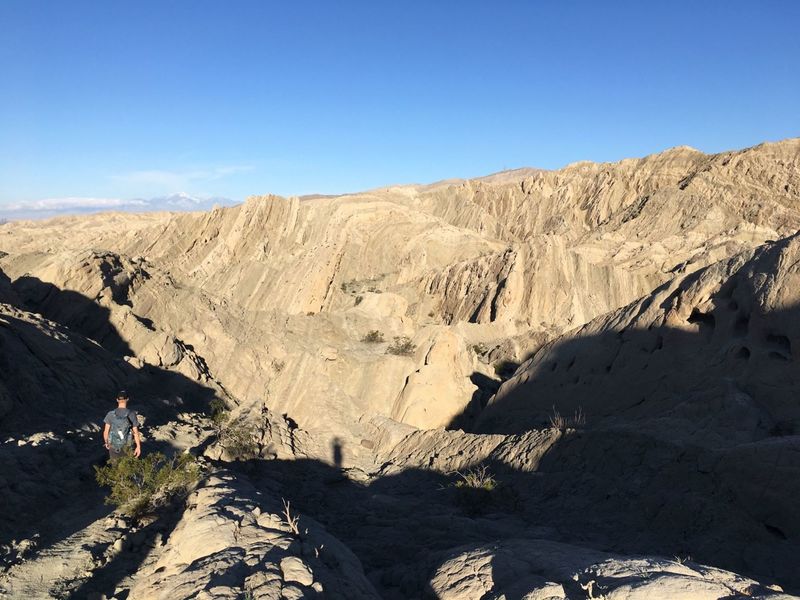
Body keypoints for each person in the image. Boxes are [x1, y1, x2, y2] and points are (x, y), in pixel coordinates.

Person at [103, 390, 142, 460]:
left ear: (117, 400)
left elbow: (106, 431)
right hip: (127, 446)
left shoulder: (110, 414)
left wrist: (106, 442)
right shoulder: (131, 414)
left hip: (113, 446)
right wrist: (138, 446)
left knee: (115, 468)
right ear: (127, 399)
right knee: (127, 468)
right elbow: (136, 433)